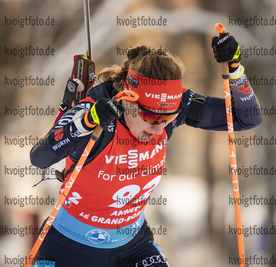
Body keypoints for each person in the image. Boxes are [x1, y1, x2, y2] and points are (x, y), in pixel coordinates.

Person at [29, 31, 262, 266]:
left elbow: (246, 118)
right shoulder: (96, 113)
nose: (159, 129)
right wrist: (86, 122)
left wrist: (235, 71)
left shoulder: (167, 107)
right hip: (69, 248)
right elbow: (40, 157)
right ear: (128, 99)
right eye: (150, 118)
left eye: (168, 118)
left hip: (132, 247)